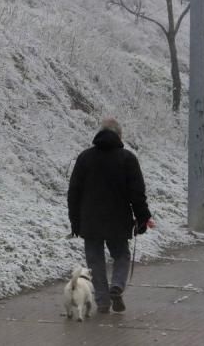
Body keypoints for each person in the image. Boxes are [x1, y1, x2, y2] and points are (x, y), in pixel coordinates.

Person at [67, 117, 154, 314]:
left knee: (95, 261)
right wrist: (143, 218)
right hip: (118, 219)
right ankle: (117, 285)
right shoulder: (127, 159)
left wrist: (75, 220)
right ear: (119, 135)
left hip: (90, 220)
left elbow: (74, 192)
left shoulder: (85, 158)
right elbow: (137, 193)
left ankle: (103, 301)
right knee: (121, 255)